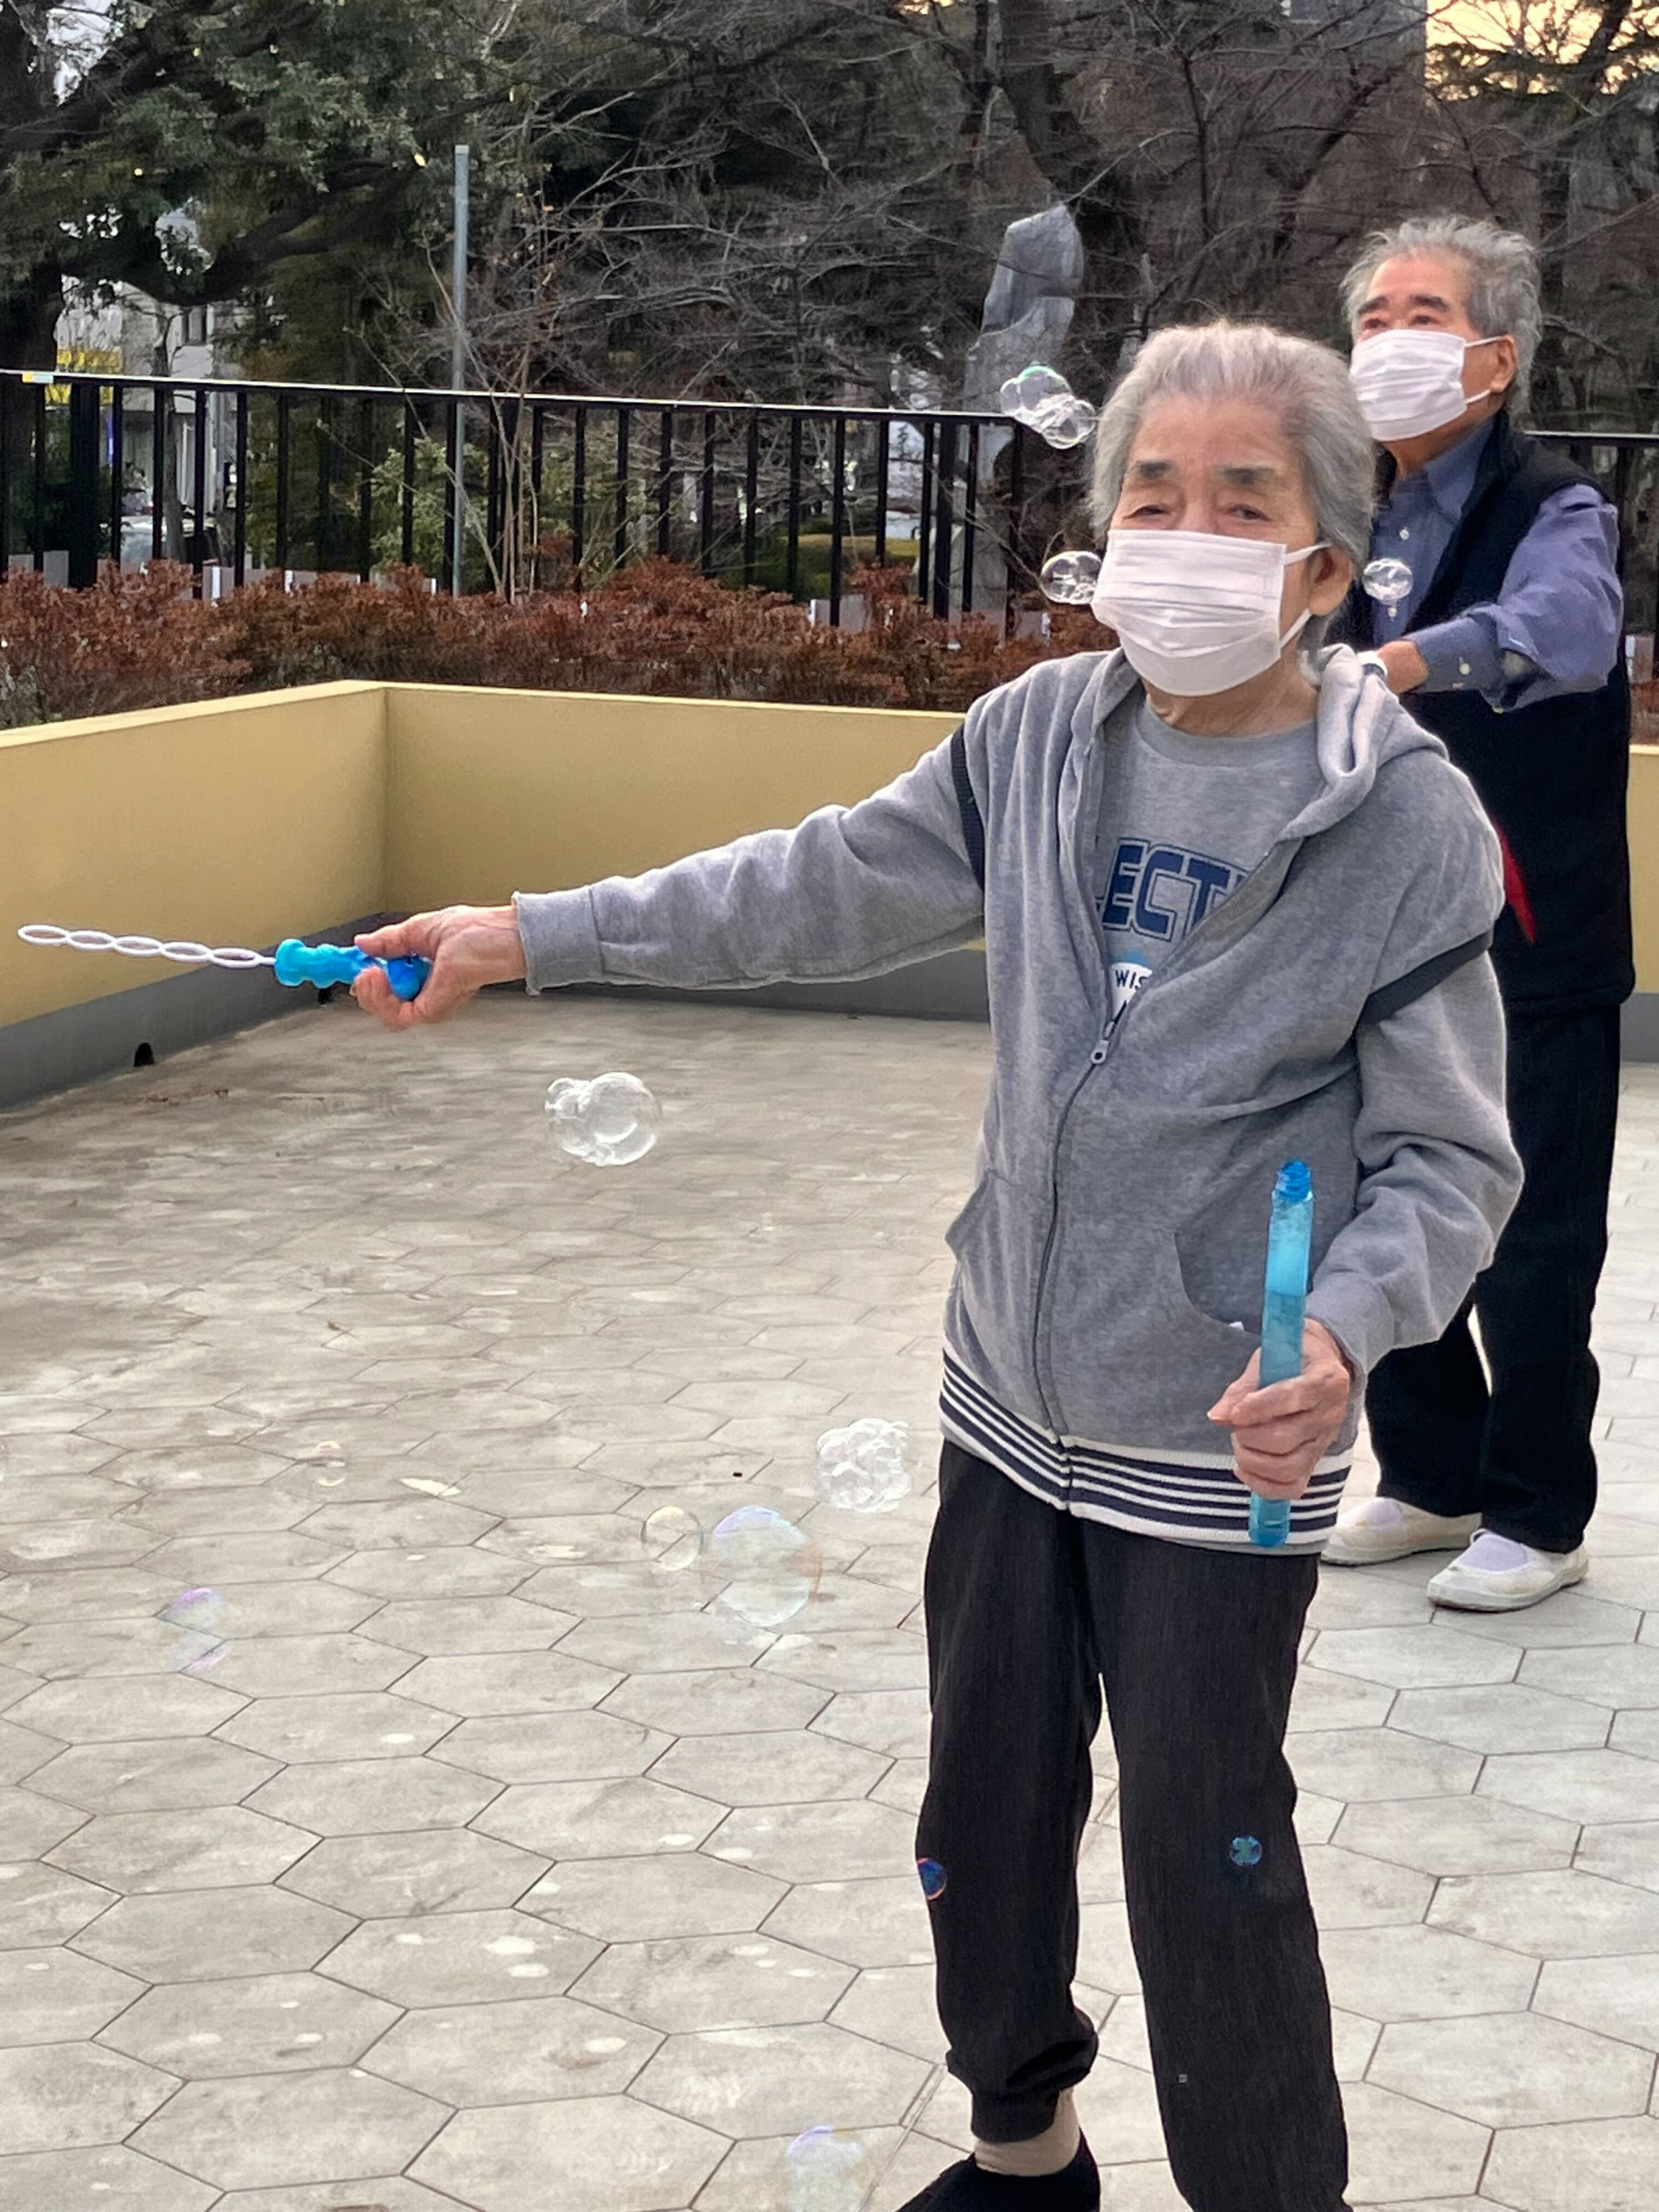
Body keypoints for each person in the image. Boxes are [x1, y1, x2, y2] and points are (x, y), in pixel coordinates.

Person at [353, 321, 1520, 2212]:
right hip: (1007, 1402)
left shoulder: (1398, 818)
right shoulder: (1039, 737)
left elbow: (1451, 1157)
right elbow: (810, 884)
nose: (1185, 538)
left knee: (1210, 1855)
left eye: (1241, 504)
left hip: (1226, 1444)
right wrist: (526, 932)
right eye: (1152, 496)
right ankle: (1024, 2151)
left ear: (1323, 565)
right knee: (982, 1812)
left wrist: (1347, 1332)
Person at [1329, 215, 1632, 1611]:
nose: (1390, 341)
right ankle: (1432, 1475)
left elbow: (1566, 630)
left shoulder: (1556, 505)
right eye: (1373, 317)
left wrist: (1406, 661)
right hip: (1378, 928)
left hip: (1531, 930)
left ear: (1495, 358)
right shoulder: (1344, 506)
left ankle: (1539, 1512)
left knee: (1533, 1230)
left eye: (1424, 315)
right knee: (1385, 1196)